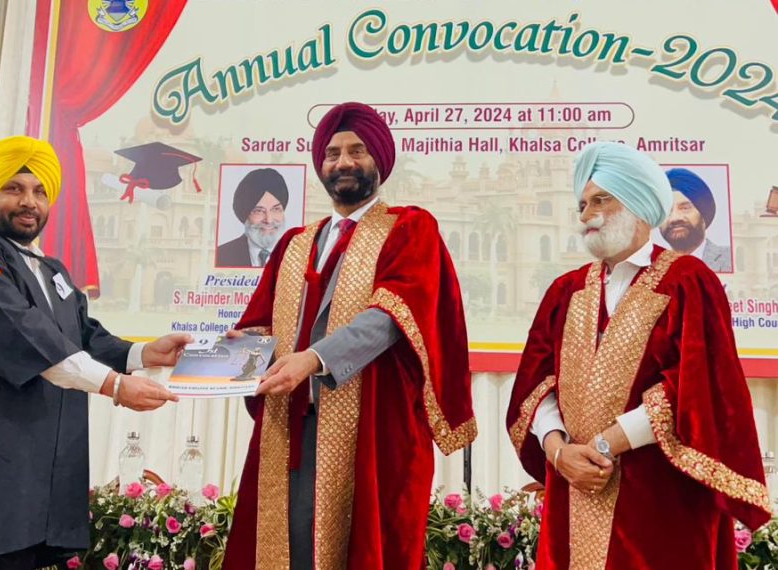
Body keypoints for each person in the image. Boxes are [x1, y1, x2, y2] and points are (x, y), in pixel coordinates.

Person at [0, 136, 190, 570]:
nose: (29, 202)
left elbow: (81, 335)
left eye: (39, 191)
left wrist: (144, 353)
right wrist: (114, 386)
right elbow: (23, 333)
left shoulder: (50, 268)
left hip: (26, 483)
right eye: (13, 188)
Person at [222, 102, 476, 570]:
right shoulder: (294, 242)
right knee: (291, 552)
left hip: (372, 434)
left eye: (357, 151)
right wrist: (222, 358)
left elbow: (389, 317)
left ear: (379, 159)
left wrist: (312, 359)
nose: (343, 162)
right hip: (292, 429)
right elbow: (259, 326)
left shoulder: (409, 228)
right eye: (333, 153)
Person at [506, 142, 769, 569]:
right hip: (573, 490)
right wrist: (559, 453)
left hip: (658, 501)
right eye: (582, 205)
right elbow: (536, 387)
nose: (586, 215)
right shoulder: (565, 291)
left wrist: (604, 446)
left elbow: (694, 386)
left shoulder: (687, 280)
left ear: (637, 203)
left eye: (600, 200)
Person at [216, 168, 291, 268]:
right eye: (259, 211)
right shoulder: (221, 256)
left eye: (276, 209)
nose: (269, 220)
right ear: (245, 215)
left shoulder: (299, 256)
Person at [659, 167, 731, 271]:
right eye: (666, 211)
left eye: (685, 208)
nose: (675, 218)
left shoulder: (729, 259)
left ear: (703, 212)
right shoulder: (650, 269)